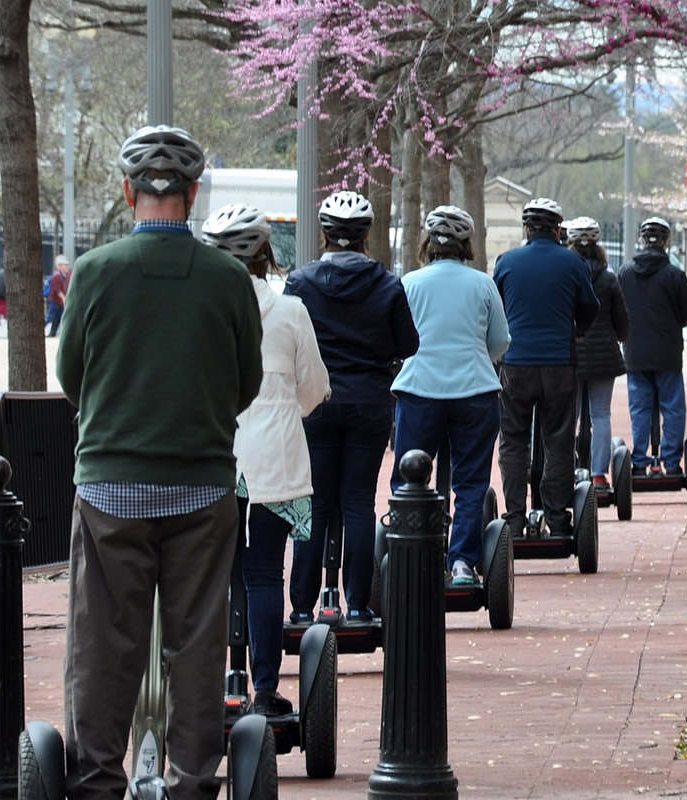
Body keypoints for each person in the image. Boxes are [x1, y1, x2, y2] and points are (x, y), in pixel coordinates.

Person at [55, 125, 263, 799]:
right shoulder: (229, 280)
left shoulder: (94, 273)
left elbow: (71, 376)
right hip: (201, 488)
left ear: (127, 192)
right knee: (196, 644)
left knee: (100, 645)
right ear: (194, 195)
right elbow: (247, 383)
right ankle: (193, 781)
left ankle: (94, 780)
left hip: (111, 487)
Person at [201, 202, 331, 716]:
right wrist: (287, 408)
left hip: (213, 458)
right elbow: (314, 387)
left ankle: (210, 686)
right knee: (262, 575)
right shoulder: (291, 309)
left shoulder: (199, 310)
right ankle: (264, 689)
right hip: (274, 462)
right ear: (264, 255)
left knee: (210, 577)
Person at [286, 190, 418, 624]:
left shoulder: (300, 283)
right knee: (359, 503)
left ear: (324, 234)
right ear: (366, 236)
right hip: (368, 403)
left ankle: (303, 607)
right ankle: (358, 605)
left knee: (315, 502)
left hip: (316, 404)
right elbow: (408, 344)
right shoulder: (387, 284)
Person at [390, 205, 510, 584]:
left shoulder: (409, 283)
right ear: (466, 245)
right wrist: (475, 361)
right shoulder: (482, 284)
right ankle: (461, 562)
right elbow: (500, 341)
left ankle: (408, 552)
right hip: (475, 392)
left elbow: (398, 340)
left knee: (408, 479)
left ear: (428, 243)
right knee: (471, 481)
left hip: (419, 390)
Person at [493, 197, 598, 538]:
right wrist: (576, 329)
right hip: (558, 363)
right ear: (557, 229)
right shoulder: (572, 263)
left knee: (512, 440)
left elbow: (496, 309)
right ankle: (556, 517)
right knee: (558, 438)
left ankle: (514, 518)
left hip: (516, 362)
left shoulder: (506, 262)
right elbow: (588, 309)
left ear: (527, 228)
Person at [616, 216, 687, 476]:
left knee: (639, 407)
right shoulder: (674, 274)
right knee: (672, 407)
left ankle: (639, 461)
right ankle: (671, 462)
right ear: (665, 241)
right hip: (668, 352)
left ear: (642, 240)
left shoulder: (625, 273)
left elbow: (616, 309)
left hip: (635, 352)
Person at [565, 215, 629, 492]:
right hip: (604, 355)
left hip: (570, 355)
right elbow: (622, 321)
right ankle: (598, 474)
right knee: (601, 414)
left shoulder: (564, 275)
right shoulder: (609, 278)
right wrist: (620, 336)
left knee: (569, 416)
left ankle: (566, 471)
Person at [45, 254, 72, 336]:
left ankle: (52, 332)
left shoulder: (66, 275)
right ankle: (37, 329)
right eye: (65, 265)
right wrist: (64, 298)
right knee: (50, 317)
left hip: (60, 302)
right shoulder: (56, 276)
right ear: (59, 266)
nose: (67, 267)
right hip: (54, 301)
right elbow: (57, 290)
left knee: (58, 318)